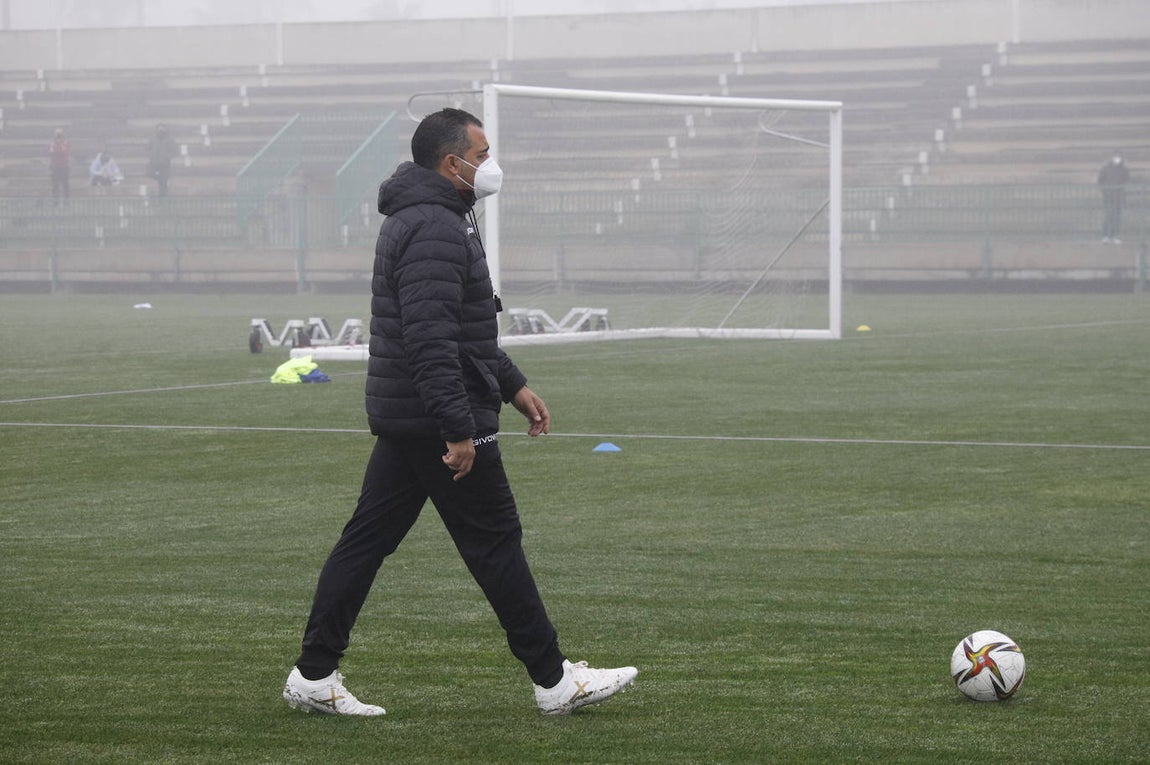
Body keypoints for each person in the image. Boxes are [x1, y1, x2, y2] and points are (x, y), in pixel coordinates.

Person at [282, 108, 638, 717]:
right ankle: (554, 681)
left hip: (411, 416)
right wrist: (459, 428)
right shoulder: (435, 228)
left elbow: (465, 330)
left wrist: (513, 385)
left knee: (365, 542)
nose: (491, 164)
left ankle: (313, 674)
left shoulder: (432, 219)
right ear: (453, 163)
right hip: (434, 418)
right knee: (495, 543)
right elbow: (429, 339)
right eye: (483, 152)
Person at [1098, 151, 1130, 244]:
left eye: (1118, 157)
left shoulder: (1124, 169)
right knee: (1108, 216)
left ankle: (1115, 235)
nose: (1117, 159)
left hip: (1119, 197)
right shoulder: (1105, 169)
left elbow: (1126, 180)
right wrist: (1105, 191)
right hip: (1108, 196)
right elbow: (1100, 181)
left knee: (1117, 216)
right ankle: (1106, 235)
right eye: (1116, 157)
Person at [145, 123, 177, 196]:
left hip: (165, 165)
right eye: (159, 129)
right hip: (154, 164)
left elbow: (175, 151)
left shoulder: (170, 139)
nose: (161, 131)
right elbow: (147, 149)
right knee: (154, 178)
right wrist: (152, 155)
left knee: (163, 183)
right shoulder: (152, 138)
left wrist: (167, 156)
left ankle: (162, 200)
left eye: (162, 129)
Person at [48, 128, 70, 204]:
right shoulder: (52, 144)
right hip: (55, 167)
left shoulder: (65, 143)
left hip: (64, 167)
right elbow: (52, 153)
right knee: (55, 186)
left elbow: (64, 152)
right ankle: (55, 203)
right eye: (57, 134)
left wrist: (60, 145)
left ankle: (66, 203)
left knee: (65, 185)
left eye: (59, 134)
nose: (58, 136)